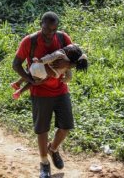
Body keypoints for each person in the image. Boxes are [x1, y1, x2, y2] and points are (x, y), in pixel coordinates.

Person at [12, 12, 78, 178]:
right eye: (46, 29)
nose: (50, 34)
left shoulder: (63, 38)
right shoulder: (30, 41)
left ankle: (53, 149)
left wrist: (68, 63)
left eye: (53, 30)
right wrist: (30, 80)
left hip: (61, 90)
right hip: (40, 93)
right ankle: (44, 164)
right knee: (42, 130)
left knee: (66, 126)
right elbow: (16, 64)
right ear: (40, 25)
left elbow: (78, 57)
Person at [10, 44, 88, 100]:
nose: (65, 47)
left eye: (66, 47)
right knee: (32, 81)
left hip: (40, 66)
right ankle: (20, 91)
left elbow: (50, 57)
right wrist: (63, 80)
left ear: (68, 52)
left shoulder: (60, 53)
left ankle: (17, 83)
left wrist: (40, 60)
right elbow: (69, 77)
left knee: (29, 74)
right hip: (45, 74)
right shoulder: (68, 66)